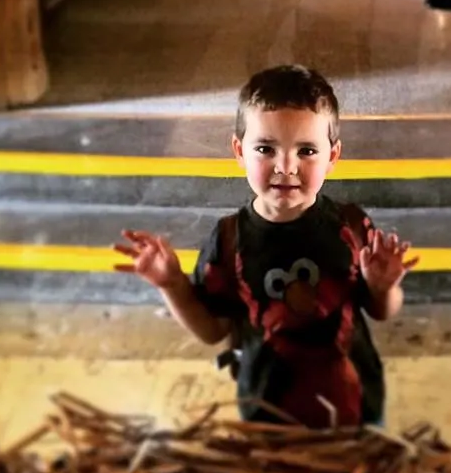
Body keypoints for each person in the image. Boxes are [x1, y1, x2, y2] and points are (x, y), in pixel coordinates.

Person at [113, 65, 418, 429]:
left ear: (332, 156)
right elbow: (213, 331)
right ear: (239, 151)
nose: (285, 167)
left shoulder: (351, 226)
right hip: (267, 412)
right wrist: (172, 284)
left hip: (356, 409)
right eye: (265, 149)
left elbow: (381, 310)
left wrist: (385, 288)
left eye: (306, 150)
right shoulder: (230, 239)